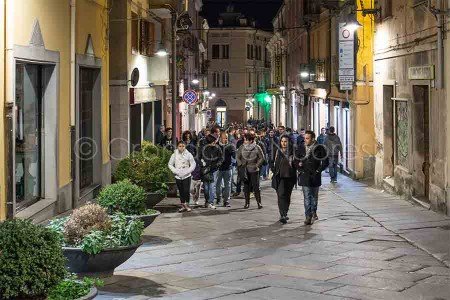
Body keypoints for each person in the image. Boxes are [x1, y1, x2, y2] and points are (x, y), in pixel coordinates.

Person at [295, 131, 329, 225]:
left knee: (314, 197)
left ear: (313, 139)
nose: (305, 140)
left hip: (315, 175)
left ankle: (314, 211)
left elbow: (325, 162)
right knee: (307, 197)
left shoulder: (320, 148)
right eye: (305, 138)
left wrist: (318, 171)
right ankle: (308, 216)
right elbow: (296, 160)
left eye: (307, 138)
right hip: (304, 175)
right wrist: (299, 167)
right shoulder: (300, 147)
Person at [271, 135, 297, 224]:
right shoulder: (277, 151)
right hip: (279, 176)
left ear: (289, 142)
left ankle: (285, 212)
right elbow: (271, 161)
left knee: (287, 195)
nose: (283, 143)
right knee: (281, 194)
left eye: (285, 141)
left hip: (290, 176)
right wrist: (273, 170)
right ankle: (282, 214)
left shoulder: (292, 151)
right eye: (282, 141)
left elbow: (296, 162)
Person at [236, 132, 264, 209]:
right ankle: (247, 203)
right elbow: (237, 156)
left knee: (256, 187)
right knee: (246, 187)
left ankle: (259, 202)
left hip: (254, 170)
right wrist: (240, 164)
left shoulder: (257, 147)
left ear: (251, 140)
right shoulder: (242, 147)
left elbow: (261, 158)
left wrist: (256, 165)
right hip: (245, 170)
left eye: (246, 139)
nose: (244, 141)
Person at [168, 141, 196, 213]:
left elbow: (193, 164)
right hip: (178, 175)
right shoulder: (174, 154)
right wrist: (175, 171)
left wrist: (188, 171)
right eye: (180, 146)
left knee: (186, 190)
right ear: (177, 146)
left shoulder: (188, 154)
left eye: (183, 146)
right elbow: (170, 164)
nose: (181, 148)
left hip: (186, 175)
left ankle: (187, 204)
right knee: (181, 191)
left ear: (185, 146)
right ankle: (183, 205)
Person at [199, 134, 223, 209]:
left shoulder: (217, 148)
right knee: (206, 187)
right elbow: (198, 157)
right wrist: (202, 163)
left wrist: (217, 164)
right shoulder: (203, 148)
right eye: (212, 141)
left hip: (214, 169)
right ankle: (207, 201)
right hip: (205, 169)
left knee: (212, 186)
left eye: (215, 141)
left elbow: (221, 158)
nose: (214, 143)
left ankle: (211, 202)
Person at [216, 132, 236, 207]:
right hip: (218, 169)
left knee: (227, 185)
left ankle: (226, 201)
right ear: (220, 137)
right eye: (224, 137)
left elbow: (234, 155)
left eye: (226, 137)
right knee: (218, 185)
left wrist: (234, 152)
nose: (225, 139)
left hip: (228, 168)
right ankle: (218, 197)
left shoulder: (230, 145)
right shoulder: (217, 145)